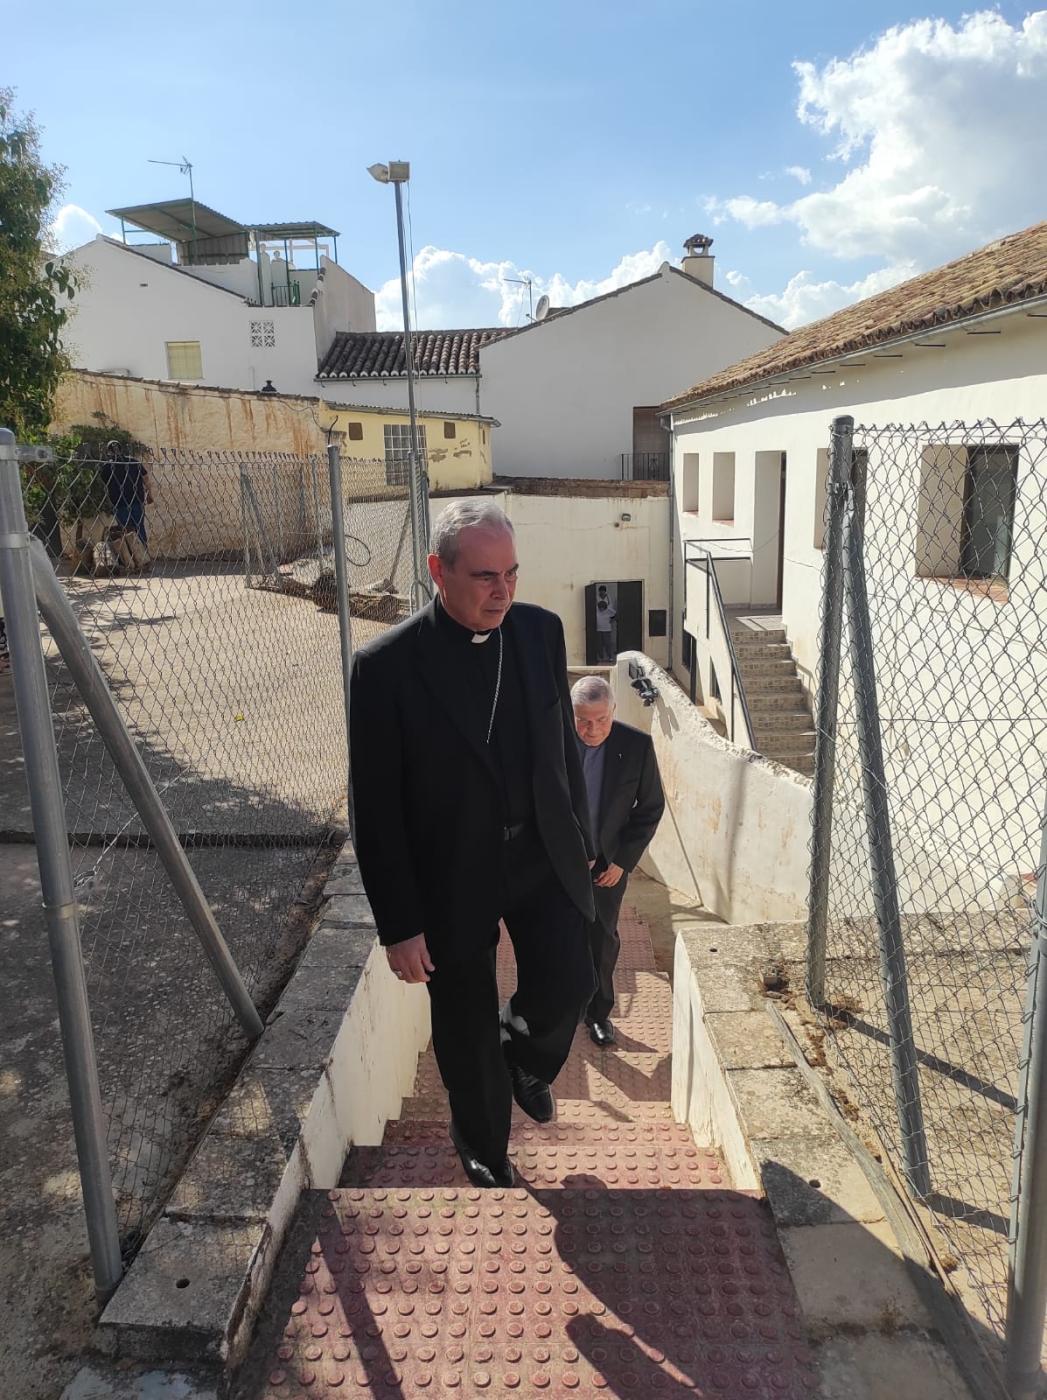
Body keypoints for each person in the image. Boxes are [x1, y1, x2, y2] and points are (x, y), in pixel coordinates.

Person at [349, 501, 596, 1188]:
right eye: (485, 576)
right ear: (438, 571)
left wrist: (577, 834)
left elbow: (561, 753)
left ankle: (523, 1052)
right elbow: (374, 808)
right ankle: (485, 1147)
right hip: (450, 870)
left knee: (572, 978)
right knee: (461, 1023)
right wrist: (398, 925)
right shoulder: (384, 668)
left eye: (511, 573)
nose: (503, 591)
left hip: (539, 851)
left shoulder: (541, 634)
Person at [572, 674, 665, 1047]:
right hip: (558, 864)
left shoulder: (637, 747)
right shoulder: (553, 741)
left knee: (601, 938)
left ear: (613, 710)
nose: (592, 730)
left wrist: (623, 862)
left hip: (607, 868)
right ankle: (559, 1007)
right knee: (553, 936)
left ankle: (598, 1013)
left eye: (601, 720)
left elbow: (651, 808)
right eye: (582, 720)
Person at [102, 440, 152, 573]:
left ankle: (132, 562)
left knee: (125, 531)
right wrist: (149, 493)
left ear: (109, 452)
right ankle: (144, 559)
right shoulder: (134, 462)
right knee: (139, 528)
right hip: (137, 501)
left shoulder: (107, 466)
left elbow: (103, 485)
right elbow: (146, 478)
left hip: (119, 503)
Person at [595, 585, 617, 662]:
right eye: (600, 591)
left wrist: (612, 620)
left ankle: (609, 656)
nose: (601, 592)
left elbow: (615, 614)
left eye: (603, 591)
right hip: (598, 628)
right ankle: (600, 657)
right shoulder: (596, 607)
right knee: (599, 644)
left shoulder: (609, 607)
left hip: (607, 629)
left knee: (608, 643)